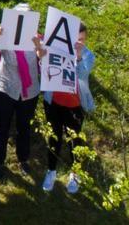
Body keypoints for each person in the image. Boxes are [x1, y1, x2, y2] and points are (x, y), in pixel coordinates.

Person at [0, 4, 46, 181]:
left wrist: (38, 47)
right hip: (6, 88)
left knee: (24, 128)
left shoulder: (38, 39)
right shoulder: (6, 37)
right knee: (2, 128)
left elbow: (45, 59)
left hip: (29, 93)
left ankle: (23, 160)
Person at [42, 24, 95, 194]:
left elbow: (81, 75)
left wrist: (78, 57)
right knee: (54, 138)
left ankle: (75, 173)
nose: (79, 43)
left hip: (75, 106)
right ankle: (51, 171)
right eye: (76, 39)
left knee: (75, 141)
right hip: (54, 102)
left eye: (83, 40)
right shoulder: (58, 49)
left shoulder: (88, 55)